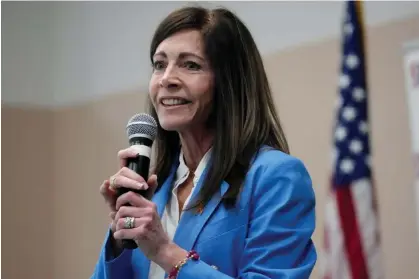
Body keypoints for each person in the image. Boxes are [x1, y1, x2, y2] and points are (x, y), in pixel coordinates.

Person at [91, 5, 317, 279]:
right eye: (159, 64)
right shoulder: (154, 189)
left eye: (191, 65)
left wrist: (165, 251)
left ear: (229, 82)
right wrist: (119, 239)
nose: (166, 79)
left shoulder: (276, 177)